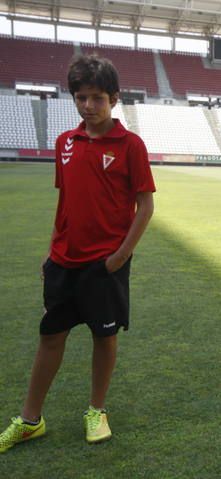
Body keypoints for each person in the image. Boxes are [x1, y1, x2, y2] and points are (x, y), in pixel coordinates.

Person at [0, 54, 155, 452]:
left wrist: (120, 257)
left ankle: (96, 410)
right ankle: (31, 419)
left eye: (97, 98)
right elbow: (65, 201)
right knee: (50, 336)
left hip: (105, 263)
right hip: (63, 260)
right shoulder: (64, 143)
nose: (88, 106)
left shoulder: (130, 145)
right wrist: (51, 248)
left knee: (104, 338)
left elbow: (145, 205)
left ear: (114, 99)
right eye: (81, 97)